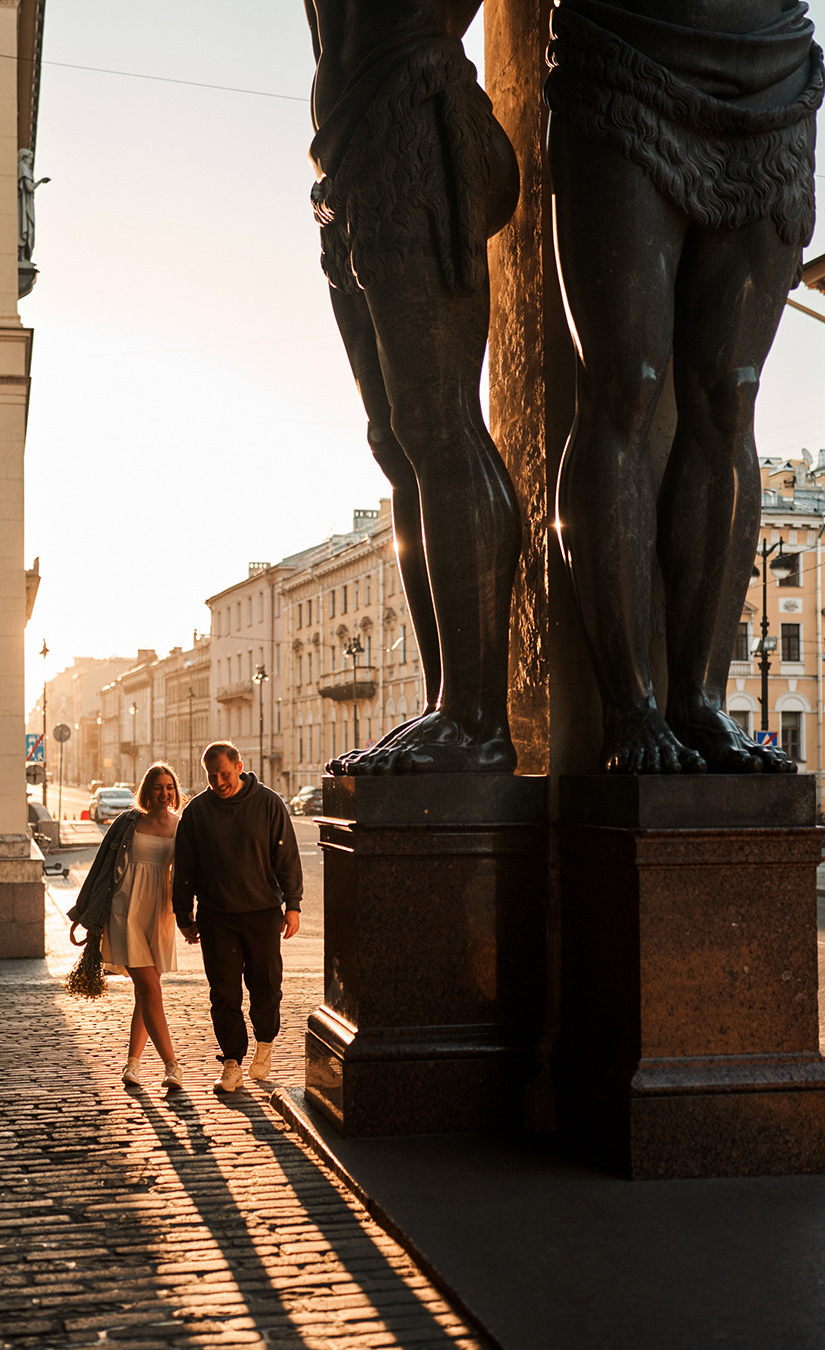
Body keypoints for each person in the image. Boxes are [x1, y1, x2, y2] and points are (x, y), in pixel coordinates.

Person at [545, 0, 823, 772]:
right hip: (624, 55)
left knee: (730, 397)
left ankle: (697, 699)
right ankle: (628, 704)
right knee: (626, 383)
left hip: (774, 78)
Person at [304, 0, 522, 774]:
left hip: (417, 116)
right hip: (352, 153)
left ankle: (476, 719)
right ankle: (445, 704)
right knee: (397, 444)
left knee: (438, 425)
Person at [172, 743, 302, 1092]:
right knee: (224, 993)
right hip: (217, 917)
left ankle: (265, 1040)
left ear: (239, 767)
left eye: (224, 774)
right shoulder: (197, 813)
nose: (219, 782)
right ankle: (232, 1062)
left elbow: (286, 856)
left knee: (266, 987)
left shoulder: (268, 803)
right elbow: (184, 867)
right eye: (211, 777)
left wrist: (293, 904)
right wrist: (183, 914)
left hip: (262, 913)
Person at [66, 762, 184, 1090]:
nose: (164, 793)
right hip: (126, 909)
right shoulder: (128, 822)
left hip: (159, 913)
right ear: (147, 791)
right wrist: (86, 911)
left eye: (169, 787)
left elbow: (191, 875)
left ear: (175, 791)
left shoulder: (181, 826)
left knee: (146, 993)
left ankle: (132, 1064)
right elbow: (102, 866)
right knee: (149, 988)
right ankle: (172, 1066)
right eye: (158, 787)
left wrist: (189, 918)